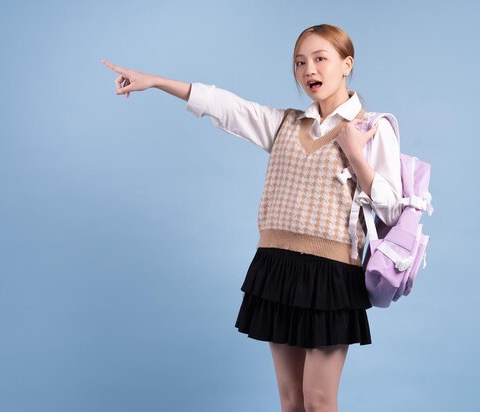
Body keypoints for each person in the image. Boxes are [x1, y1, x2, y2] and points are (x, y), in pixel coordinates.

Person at [103, 23, 402, 412]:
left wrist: (356, 154)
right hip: (277, 267)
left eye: (320, 59)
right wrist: (156, 81)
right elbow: (224, 105)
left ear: (347, 64)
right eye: (299, 62)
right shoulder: (285, 124)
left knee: (319, 399)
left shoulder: (373, 128)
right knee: (291, 399)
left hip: (330, 275)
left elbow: (391, 207)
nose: (308, 70)